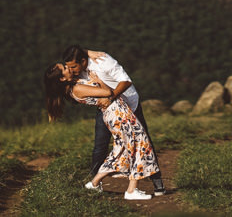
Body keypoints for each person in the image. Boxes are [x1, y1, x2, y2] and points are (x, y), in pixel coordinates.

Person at [43, 62, 159, 200]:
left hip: (116, 112)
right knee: (138, 144)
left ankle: (94, 183)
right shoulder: (77, 88)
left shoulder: (74, 85)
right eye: (65, 68)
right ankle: (131, 190)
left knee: (123, 148)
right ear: (62, 78)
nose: (68, 68)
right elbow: (108, 93)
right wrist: (99, 81)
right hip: (117, 113)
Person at [61, 45, 166, 195]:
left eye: (73, 66)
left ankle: (157, 183)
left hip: (129, 103)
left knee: (143, 141)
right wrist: (85, 51)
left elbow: (126, 81)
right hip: (108, 110)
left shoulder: (103, 61)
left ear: (83, 61)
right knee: (101, 144)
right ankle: (94, 183)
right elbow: (60, 71)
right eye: (69, 67)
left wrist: (111, 97)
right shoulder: (75, 71)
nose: (71, 70)